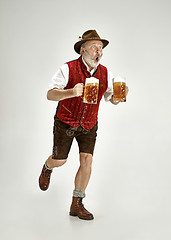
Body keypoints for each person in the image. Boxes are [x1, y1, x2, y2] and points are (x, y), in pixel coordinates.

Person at [38, 29, 128, 220]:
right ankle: (48, 166)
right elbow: (50, 94)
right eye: (94, 47)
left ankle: (76, 204)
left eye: (101, 48)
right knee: (60, 160)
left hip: (89, 124)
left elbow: (110, 99)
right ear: (82, 50)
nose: (99, 51)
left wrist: (120, 97)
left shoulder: (105, 73)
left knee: (87, 160)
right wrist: (71, 92)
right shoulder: (67, 68)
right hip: (66, 121)